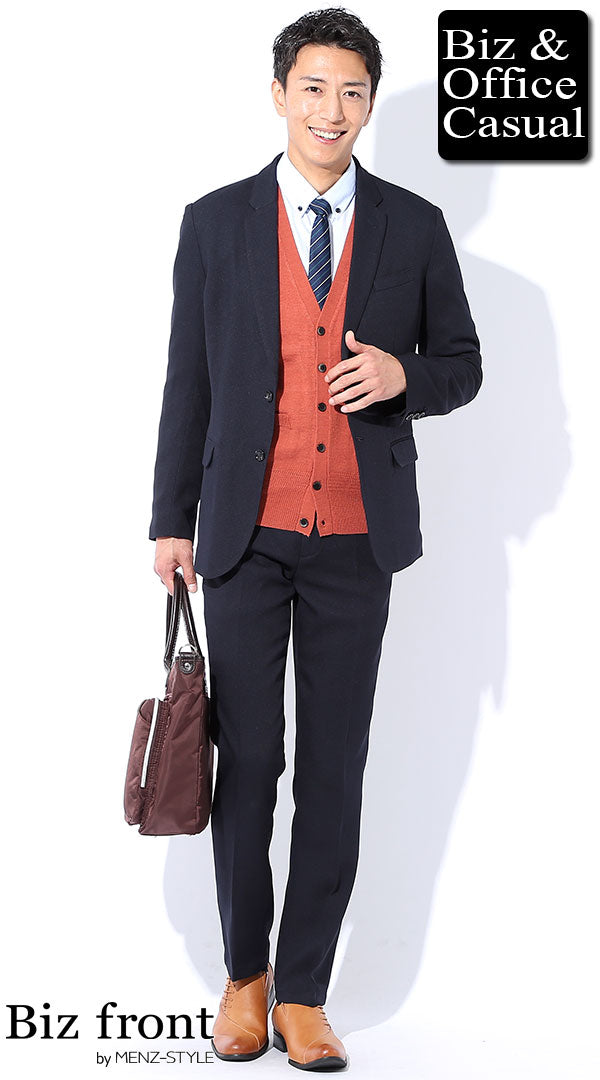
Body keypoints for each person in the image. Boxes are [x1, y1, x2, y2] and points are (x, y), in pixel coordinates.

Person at [149, 7, 482, 1071]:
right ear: (279, 95)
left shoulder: (414, 226)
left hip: (355, 541)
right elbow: (189, 381)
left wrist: (401, 375)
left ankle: (304, 993)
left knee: (335, 771)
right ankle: (243, 980)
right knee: (250, 764)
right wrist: (170, 520)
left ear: (368, 104)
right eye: (314, 88)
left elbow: (464, 364)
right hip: (242, 538)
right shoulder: (216, 223)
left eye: (352, 92)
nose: (331, 110)